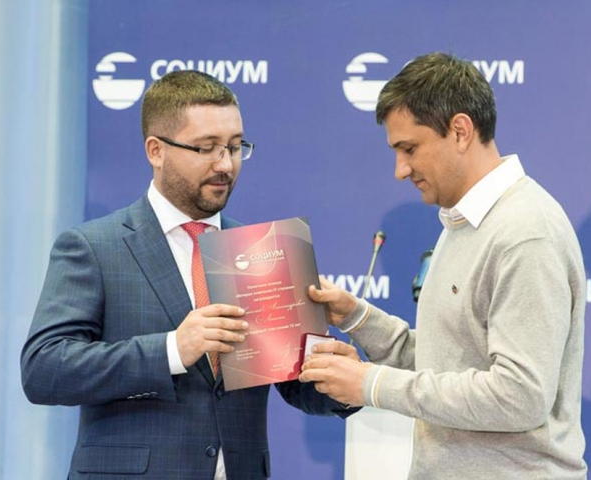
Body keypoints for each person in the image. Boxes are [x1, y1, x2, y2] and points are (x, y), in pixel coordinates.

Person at [21, 70, 356, 480]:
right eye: (206, 148)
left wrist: (341, 378)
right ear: (156, 150)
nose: (225, 164)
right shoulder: (94, 246)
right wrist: (172, 350)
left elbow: (294, 383)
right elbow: (44, 369)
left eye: (235, 146)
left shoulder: (261, 251)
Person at [299, 52, 588, 479]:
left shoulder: (525, 232)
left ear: (460, 131)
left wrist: (370, 384)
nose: (400, 170)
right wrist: (356, 316)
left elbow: (519, 396)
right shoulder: (464, 222)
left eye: (409, 149)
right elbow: (448, 362)